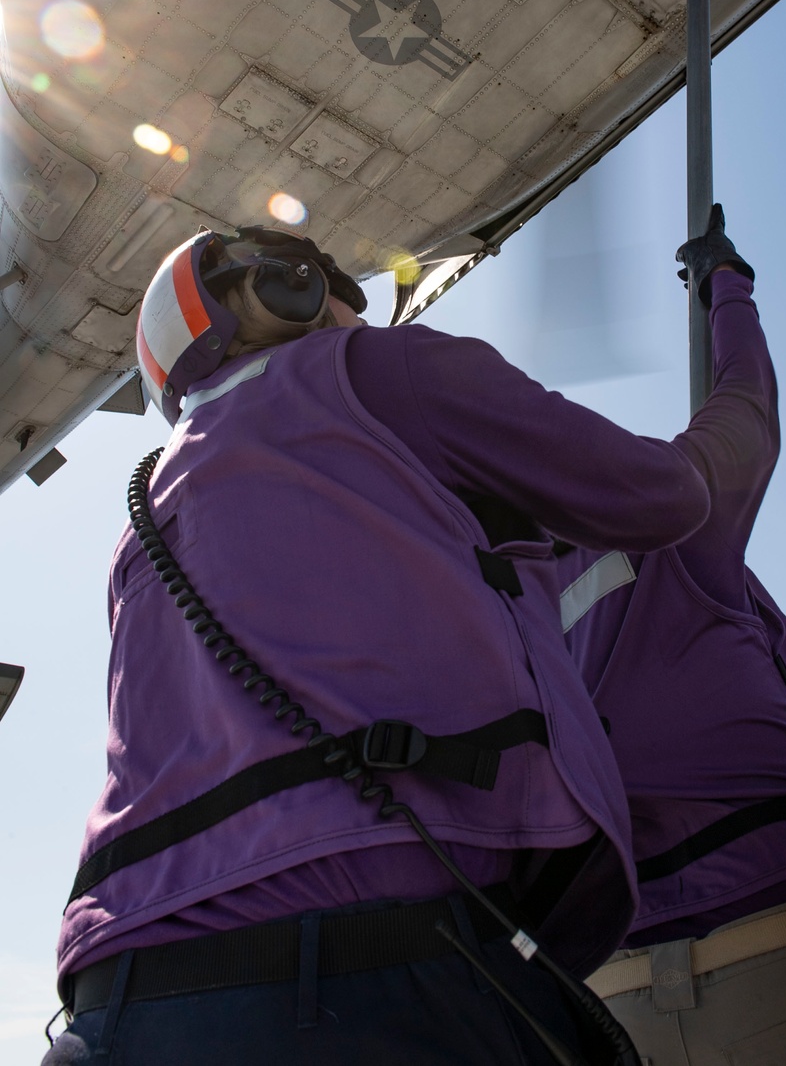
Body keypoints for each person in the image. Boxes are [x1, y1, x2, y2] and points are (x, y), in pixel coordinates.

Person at [46, 223, 723, 1066]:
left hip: (111, 1002)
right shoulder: (378, 369)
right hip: (367, 976)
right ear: (283, 288)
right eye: (334, 283)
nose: (354, 309)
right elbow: (661, 499)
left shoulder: (139, 521)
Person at [551, 208, 786, 1065]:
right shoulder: (669, 519)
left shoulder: (514, 595)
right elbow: (745, 400)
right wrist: (727, 282)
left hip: (614, 1002)